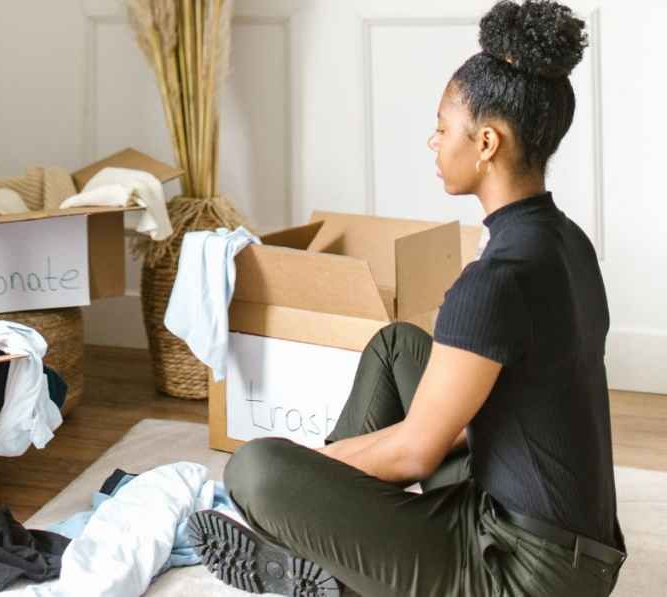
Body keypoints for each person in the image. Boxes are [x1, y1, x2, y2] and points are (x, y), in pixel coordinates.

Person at [187, 1, 627, 595]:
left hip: (523, 575)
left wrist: (312, 471)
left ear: (487, 143)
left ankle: (323, 554)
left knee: (255, 469)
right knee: (397, 347)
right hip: (572, 547)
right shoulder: (565, 242)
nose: (434, 141)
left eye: (444, 128)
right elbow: (475, 420)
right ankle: (333, 541)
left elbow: (418, 453)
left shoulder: (494, 280)